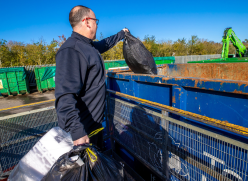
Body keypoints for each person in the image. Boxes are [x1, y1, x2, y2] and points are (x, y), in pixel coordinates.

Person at [55, 5, 128, 150]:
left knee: (98, 167)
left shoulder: (88, 47)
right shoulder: (71, 50)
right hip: (83, 133)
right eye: (96, 21)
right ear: (87, 21)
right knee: (86, 171)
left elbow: (105, 44)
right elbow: (65, 95)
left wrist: (122, 34)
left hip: (94, 125)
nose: (97, 25)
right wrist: (77, 132)